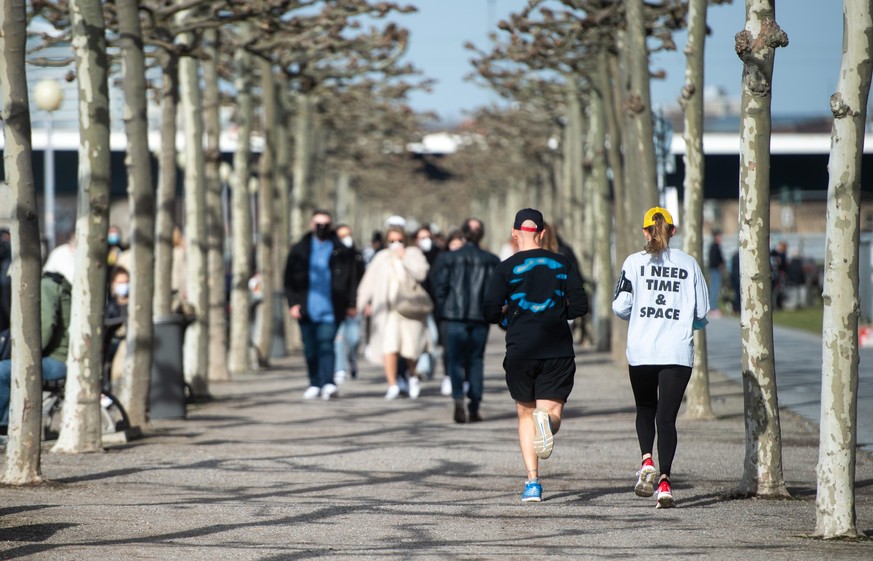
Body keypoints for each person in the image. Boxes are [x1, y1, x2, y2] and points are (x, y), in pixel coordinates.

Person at [483, 208, 588, 503]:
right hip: (556, 348)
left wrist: (508, 318)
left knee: (525, 415)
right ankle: (548, 424)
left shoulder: (505, 268)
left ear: (515, 233)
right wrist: (556, 314)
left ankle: (532, 483)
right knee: (550, 414)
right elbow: (580, 306)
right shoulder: (563, 263)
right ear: (542, 234)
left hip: (521, 349)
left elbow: (489, 311)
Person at [611, 206, 709, 509]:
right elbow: (702, 311)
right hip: (677, 353)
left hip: (642, 350)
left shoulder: (633, 263)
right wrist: (681, 322)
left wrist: (642, 315)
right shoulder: (689, 264)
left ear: (645, 231)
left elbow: (620, 305)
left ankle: (646, 460)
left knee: (644, 407)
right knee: (666, 419)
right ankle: (665, 483)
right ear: (673, 231)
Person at [284, 210, 359, 401]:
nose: (322, 228)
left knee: (327, 344)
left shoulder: (341, 250)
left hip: (332, 307)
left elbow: (352, 278)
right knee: (310, 347)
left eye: (325, 224)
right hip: (306, 308)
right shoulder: (299, 249)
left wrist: (351, 303)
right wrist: (293, 303)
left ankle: (328, 382)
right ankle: (314, 382)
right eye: (318, 224)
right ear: (311, 224)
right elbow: (289, 279)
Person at [431, 218, 500, 423]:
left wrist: (444, 308)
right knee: (476, 359)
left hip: (453, 317)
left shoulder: (448, 259)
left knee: (455, 360)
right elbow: (496, 291)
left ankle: (458, 397)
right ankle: (475, 405)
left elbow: (438, 286)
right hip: (479, 317)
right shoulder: (491, 260)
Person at [357, 226, 431, 399]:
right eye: (391, 241)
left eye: (399, 240)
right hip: (388, 311)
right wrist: (360, 305)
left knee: (410, 349)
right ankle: (392, 385)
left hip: (409, 311)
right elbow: (369, 282)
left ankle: (412, 375)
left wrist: (404, 257)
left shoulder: (414, 253)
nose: (395, 244)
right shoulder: (381, 257)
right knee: (389, 347)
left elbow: (421, 274)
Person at [0, 271, 72, 432]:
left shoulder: (45, 285)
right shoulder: (51, 282)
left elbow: (44, 329)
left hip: (59, 360)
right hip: (62, 357)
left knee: (2, 371)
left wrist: (22, 354)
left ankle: (3, 428)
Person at [332, 224, 365, 384]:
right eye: (342, 236)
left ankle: (352, 359)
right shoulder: (332, 257)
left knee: (353, 339)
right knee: (338, 339)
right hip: (336, 305)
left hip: (355, 305)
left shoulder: (357, 257)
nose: (346, 238)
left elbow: (364, 280)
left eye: (348, 235)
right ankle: (339, 369)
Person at [707, 229, 725, 316]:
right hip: (715, 270)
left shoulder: (715, 246)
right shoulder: (714, 247)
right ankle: (713, 307)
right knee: (714, 288)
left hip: (715, 270)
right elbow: (714, 259)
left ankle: (713, 306)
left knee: (715, 288)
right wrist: (719, 265)